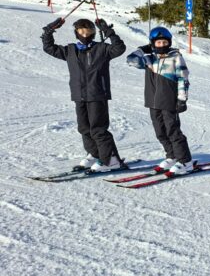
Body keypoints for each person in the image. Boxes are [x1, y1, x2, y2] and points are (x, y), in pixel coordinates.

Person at [41, 17, 126, 172]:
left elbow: (119, 48)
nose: (84, 33)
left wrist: (107, 31)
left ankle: (110, 160)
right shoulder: (70, 50)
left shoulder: (102, 49)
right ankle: (94, 154)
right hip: (79, 95)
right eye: (81, 30)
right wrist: (49, 30)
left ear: (93, 32)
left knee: (98, 129)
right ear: (76, 32)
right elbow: (49, 48)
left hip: (97, 94)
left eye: (88, 30)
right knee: (84, 128)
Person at [126, 27, 193, 175]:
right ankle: (172, 156)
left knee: (173, 132)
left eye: (164, 42)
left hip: (169, 101)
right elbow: (130, 60)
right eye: (158, 42)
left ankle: (185, 161)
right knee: (160, 132)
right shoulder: (149, 58)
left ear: (168, 43)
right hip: (153, 102)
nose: (161, 45)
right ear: (152, 43)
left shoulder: (175, 57)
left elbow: (183, 78)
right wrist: (141, 50)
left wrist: (182, 99)